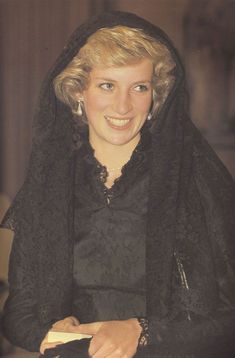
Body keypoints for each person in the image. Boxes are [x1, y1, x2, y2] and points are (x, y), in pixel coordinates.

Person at [1, 11, 235, 358]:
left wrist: (140, 330)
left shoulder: (195, 182)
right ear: (79, 91)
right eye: (107, 85)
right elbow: (18, 312)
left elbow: (228, 316)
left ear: (156, 97)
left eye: (139, 87)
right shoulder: (50, 184)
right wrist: (48, 331)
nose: (123, 106)